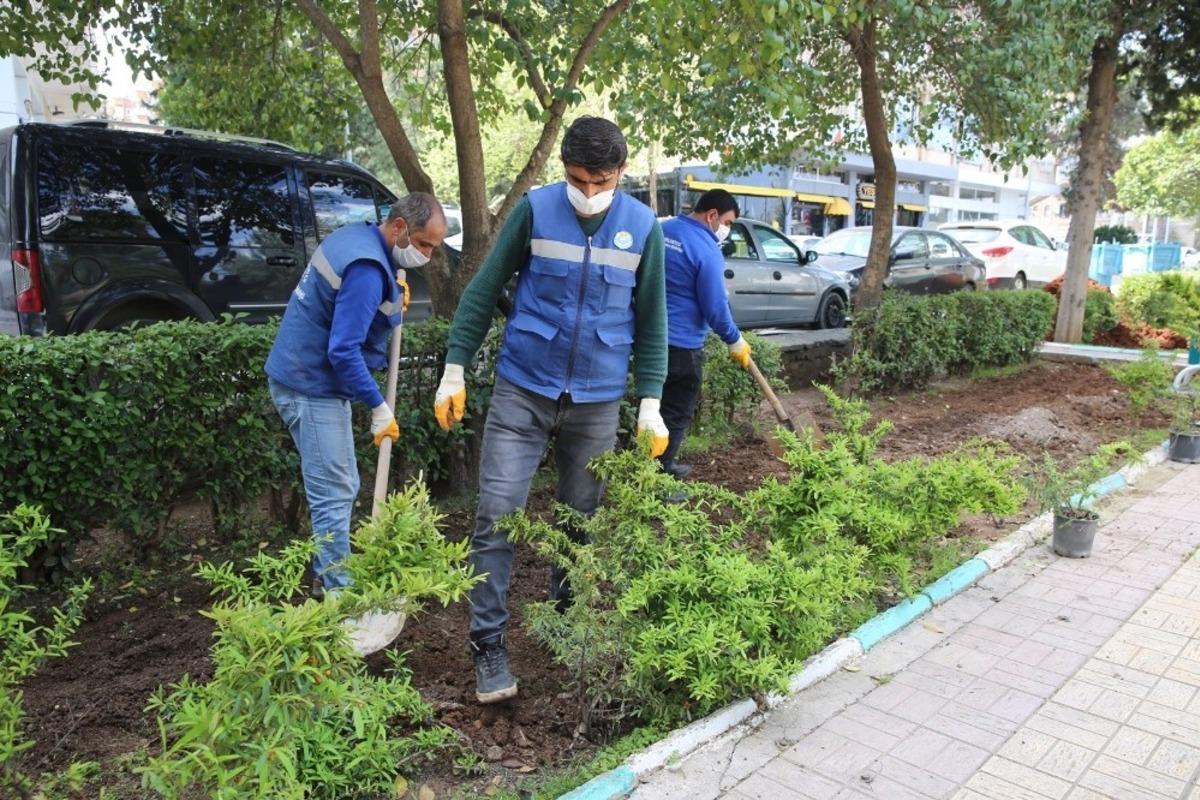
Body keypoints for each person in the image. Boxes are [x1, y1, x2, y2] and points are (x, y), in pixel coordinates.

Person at [432, 116, 667, 704]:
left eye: (601, 182)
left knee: (579, 518)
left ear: (621, 173)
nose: (588, 193)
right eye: (578, 180)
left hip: (597, 401)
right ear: (564, 168)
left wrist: (651, 403)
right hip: (523, 390)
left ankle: (564, 622)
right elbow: (483, 289)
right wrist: (455, 367)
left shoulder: (643, 227)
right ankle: (488, 645)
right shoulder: (535, 211)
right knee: (496, 514)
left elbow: (652, 321)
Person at [265, 193, 447, 597]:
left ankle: (323, 577)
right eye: (423, 244)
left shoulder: (357, 238)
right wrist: (379, 406)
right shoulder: (367, 269)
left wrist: (391, 298)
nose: (428, 256)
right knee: (336, 490)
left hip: (307, 376)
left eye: (433, 248)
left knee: (340, 485)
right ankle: (340, 596)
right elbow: (343, 350)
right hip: (310, 385)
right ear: (399, 227)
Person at [659, 189, 752, 477]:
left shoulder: (663, 231)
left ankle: (644, 470)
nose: (727, 229)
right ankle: (660, 476)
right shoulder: (707, 249)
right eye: (728, 222)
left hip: (650, 339)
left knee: (652, 409)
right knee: (676, 412)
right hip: (683, 345)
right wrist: (734, 339)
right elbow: (715, 306)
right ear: (712, 215)